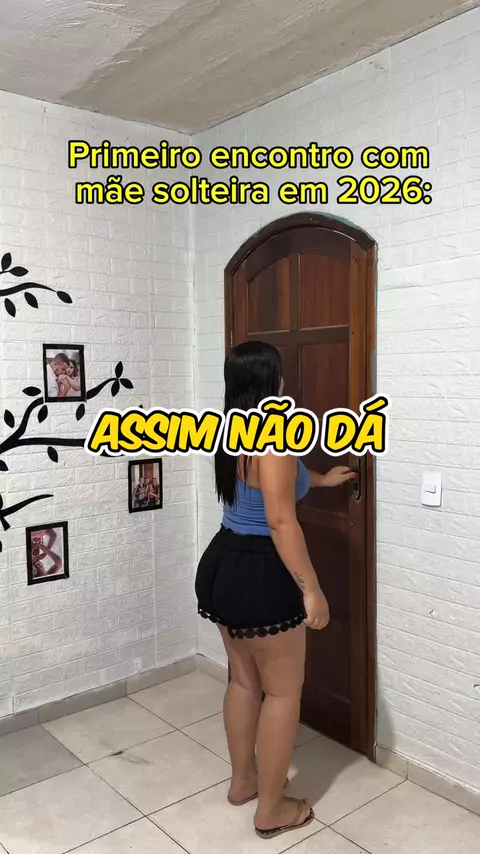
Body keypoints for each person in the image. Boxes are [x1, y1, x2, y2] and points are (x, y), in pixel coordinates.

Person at [195, 341, 356, 840]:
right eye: (280, 375)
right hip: (262, 571)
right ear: (271, 382)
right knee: (283, 692)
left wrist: (322, 478)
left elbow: (277, 483)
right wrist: (312, 589)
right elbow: (281, 520)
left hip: (223, 561)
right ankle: (272, 809)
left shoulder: (230, 430)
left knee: (244, 682)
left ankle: (243, 782)